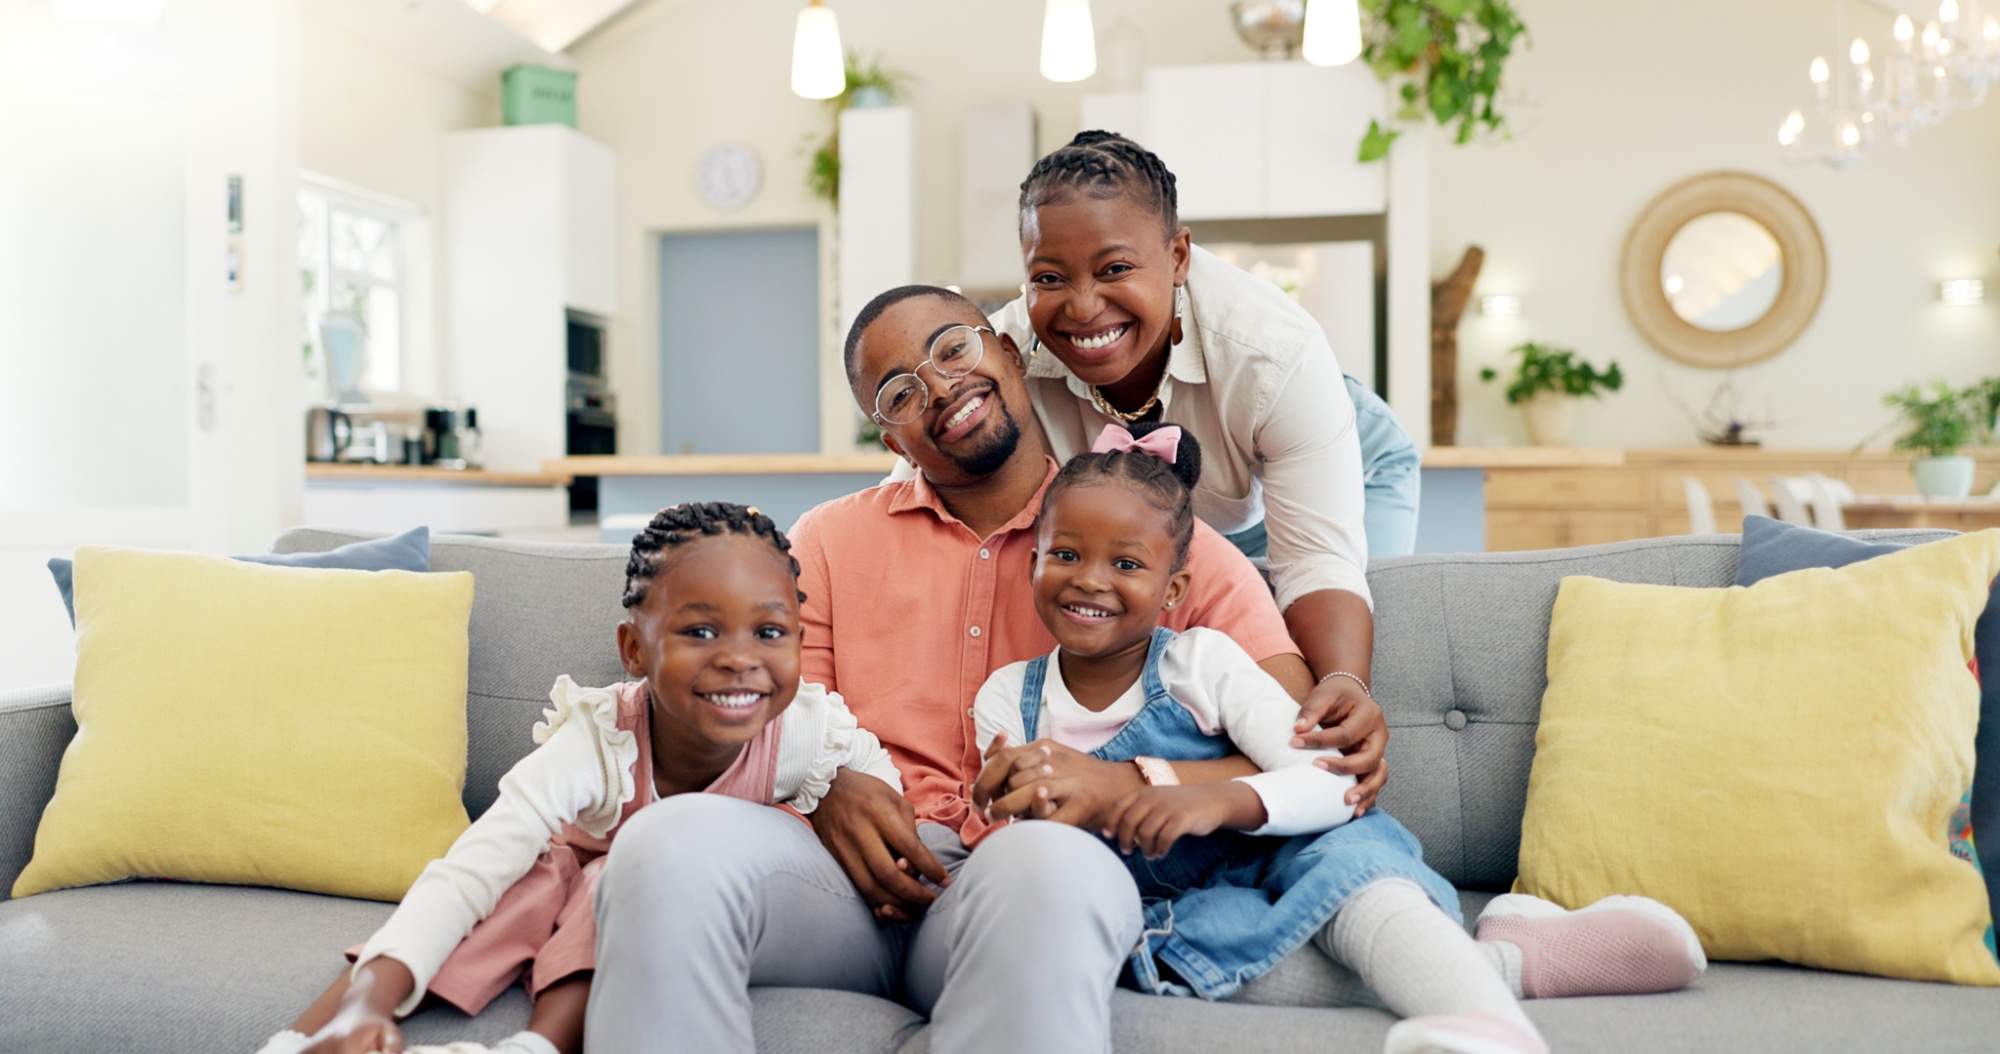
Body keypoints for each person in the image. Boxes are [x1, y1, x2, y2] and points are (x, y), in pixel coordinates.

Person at [585, 286, 1359, 1054]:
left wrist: (1127, 782)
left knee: (1047, 861)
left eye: (953, 348)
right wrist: (824, 788)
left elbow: (1303, 747)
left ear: (1010, 351)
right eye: (900, 393)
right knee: (664, 843)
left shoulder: (1148, 535)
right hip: (833, 892)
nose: (941, 386)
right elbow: (767, 710)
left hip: (1021, 882)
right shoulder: (823, 542)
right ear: (890, 439)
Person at [971, 422, 1704, 1054]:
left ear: (1173, 590)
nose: (1089, 580)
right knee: (1194, 962)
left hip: (1290, 849)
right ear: (1033, 563)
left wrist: (1213, 799)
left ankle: (1491, 1032)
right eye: (1066, 555)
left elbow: (1332, 779)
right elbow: (1026, 841)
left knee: (1353, 881)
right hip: (1175, 907)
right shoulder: (1008, 698)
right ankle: (1508, 963)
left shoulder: (1201, 663)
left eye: (1127, 563)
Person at [257, 503, 902, 1054]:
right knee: (523, 884)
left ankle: (539, 1045)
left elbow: (878, 785)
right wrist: (368, 1003)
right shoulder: (599, 739)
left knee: (611, 882)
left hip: (638, 901)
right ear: (634, 650)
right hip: (562, 879)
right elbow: (472, 867)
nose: (739, 658)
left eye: (769, 632)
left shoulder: (804, 732)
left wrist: (863, 831)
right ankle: (319, 1032)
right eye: (701, 631)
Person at [995, 129, 1399, 767]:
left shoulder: (1274, 352)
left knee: (1346, 648)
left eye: (1115, 269)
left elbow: (1316, 558)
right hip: (1158, 528)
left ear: (1178, 256)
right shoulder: (1002, 358)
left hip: (1343, 461)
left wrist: (1345, 683)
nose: (1083, 306)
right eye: (1049, 277)